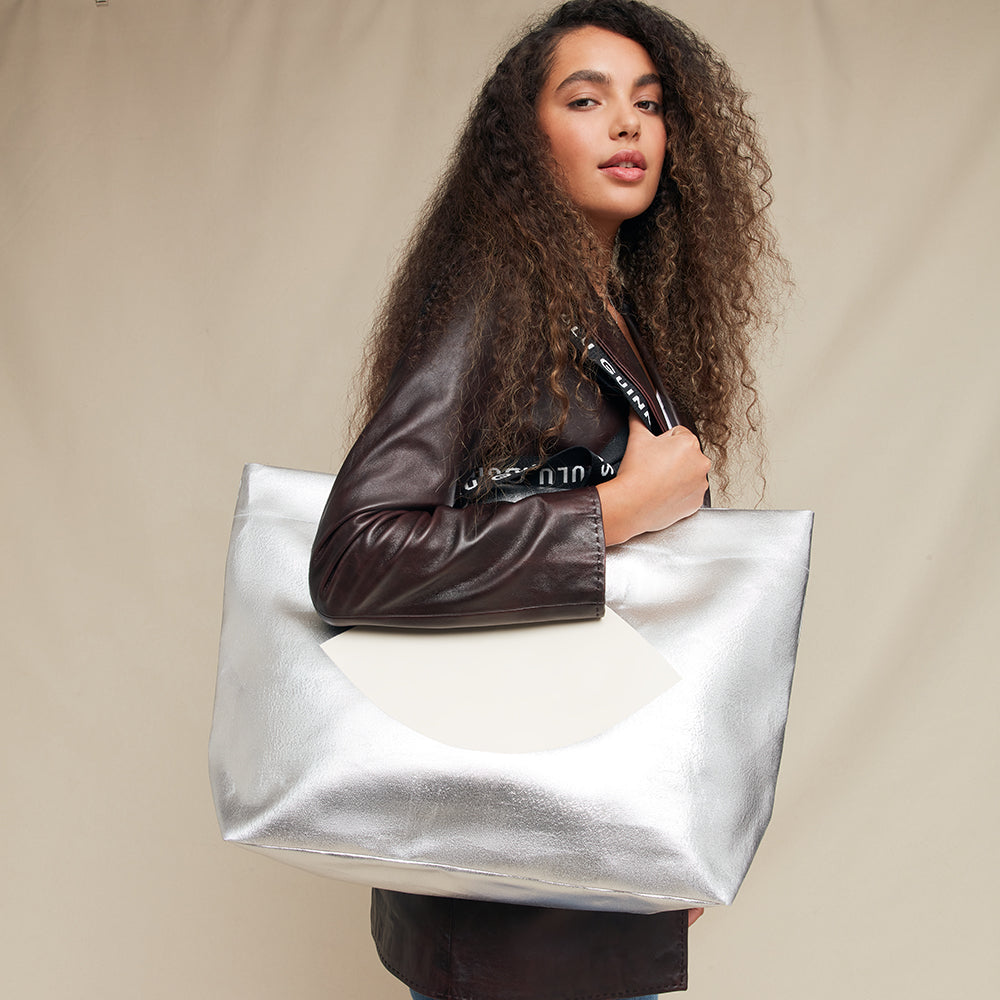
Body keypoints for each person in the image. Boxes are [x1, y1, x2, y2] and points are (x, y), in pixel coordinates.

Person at [309, 1, 784, 997]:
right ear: (526, 140)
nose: (627, 125)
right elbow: (356, 557)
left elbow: (638, 605)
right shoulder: (491, 302)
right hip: (510, 904)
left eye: (648, 105)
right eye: (587, 99)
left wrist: (667, 822)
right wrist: (615, 508)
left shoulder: (610, 315)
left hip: (582, 857)